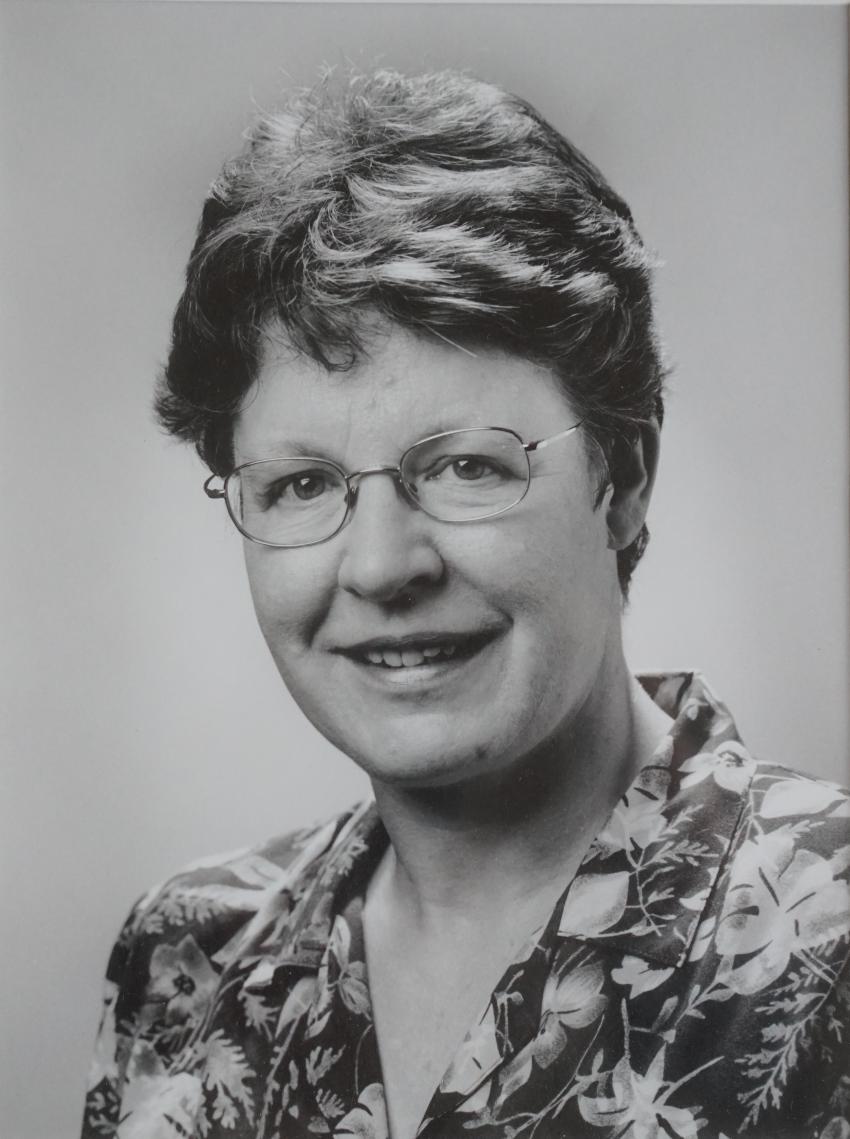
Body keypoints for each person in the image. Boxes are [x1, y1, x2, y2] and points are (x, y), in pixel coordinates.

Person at [82, 70, 850, 1139]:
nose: (382, 565)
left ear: (621, 480)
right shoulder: (185, 961)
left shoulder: (828, 936)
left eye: (466, 467)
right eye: (302, 484)